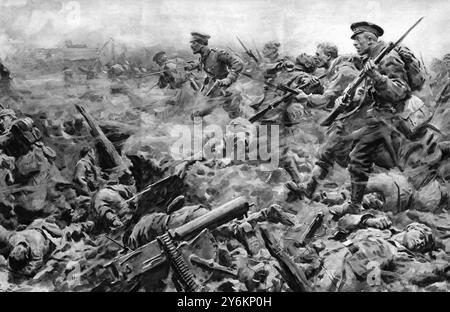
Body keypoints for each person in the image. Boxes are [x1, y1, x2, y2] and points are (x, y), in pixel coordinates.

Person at [288, 22, 412, 220]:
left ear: (370, 39)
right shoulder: (366, 58)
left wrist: (378, 77)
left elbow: (400, 91)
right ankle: (310, 187)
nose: (354, 42)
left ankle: (355, 205)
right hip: (364, 111)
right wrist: (347, 99)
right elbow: (362, 91)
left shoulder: (388, 58)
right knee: (332, 143)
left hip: (382, 116)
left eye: (358, 38)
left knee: (358, 159)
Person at [186, 32, 244, 119]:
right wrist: (193, 66)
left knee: (234, 113)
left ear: (201, 43)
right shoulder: (202, 57)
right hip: (214, 90)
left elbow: (238, 63)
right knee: (196, 115)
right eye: (191, 43)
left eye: (194, 43)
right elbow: (205, 65)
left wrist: (228, 79)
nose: (191, 46)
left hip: (228, 88)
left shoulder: (217, 53)